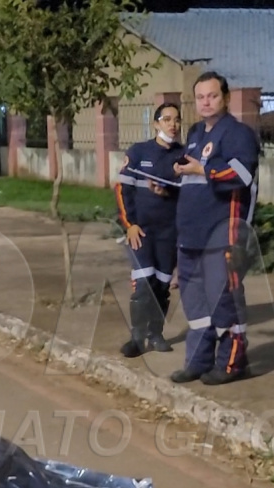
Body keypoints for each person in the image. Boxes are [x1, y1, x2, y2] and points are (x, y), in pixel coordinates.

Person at [170, 72, 260, 385]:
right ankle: (198, 361)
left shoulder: (238, 134)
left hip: (222, 234)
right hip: (191, 237)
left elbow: (242, 176)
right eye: (200, 97)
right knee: (196, 307)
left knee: (224, 302)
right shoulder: (195, 133)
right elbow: (190, 181)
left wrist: (202, 168)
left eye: (212, 96)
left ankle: (233, 363)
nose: (206, 102)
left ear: (226, 97)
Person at [114, 102, 184, 357]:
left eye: (177, 120)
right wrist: (129, 225)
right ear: (156, 124)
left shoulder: (183, 156)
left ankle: (156, 333)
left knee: (162, 285)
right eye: (167, 119)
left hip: (169, 234)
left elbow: (187, 197)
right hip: (141, 232)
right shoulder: (138, 151)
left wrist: (166, 192)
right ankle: (136, 337)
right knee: (144, 282)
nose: (172, 125)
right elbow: (122, 190)